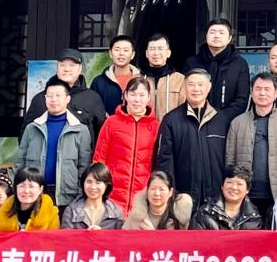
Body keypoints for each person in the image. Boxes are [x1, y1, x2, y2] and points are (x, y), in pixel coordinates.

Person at [155, 68, 230, 207]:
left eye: (200, 85)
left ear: (209, 87)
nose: (196, 89)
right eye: (191, 84)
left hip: (216, 199)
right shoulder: (171, 120)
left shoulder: (222, 120)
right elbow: (165, 162)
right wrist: (172, 195)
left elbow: (229, 159)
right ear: (184, 87)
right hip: (183, 199)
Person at [17, 76, 92, 210]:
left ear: (67, 99)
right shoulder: (32, 128)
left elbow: (84, 167)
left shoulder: (80, 130)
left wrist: (81, 197)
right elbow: (20, 163)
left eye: (58, 95)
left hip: (67, 198)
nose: (53, 100)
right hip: (34, 196)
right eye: (50, 96)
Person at [226, 72, 277, 215]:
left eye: (267, 89)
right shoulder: (237, 122)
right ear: (251, 93)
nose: (262, 93)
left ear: (275, 94)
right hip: (245, 192)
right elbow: (230, 160)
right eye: (258, 89)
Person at [92, 76, 160, 212]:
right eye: (133, 94)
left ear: (148, 98)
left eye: (142, 95)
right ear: (125, 96)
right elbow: (99, 158)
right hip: (112, 195)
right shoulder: (111, 122)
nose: (137, 99)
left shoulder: (156, 126)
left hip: (141, 196)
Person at [20, 48, 107, 143]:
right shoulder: (41, 99)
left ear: (80, 69)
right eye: (62, 65)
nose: (67, 69)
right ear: (57, 67)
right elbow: (25, 135)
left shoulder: (93, 98)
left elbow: (103, 135)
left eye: (72, 65)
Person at [182, 18, 251, 121]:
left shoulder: (240, 64)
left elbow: (241, 99)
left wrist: (221, 118)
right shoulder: (192, 63)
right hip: (195, 120)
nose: (216, 36)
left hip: (227, 122)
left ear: (229, 38)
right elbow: (184, 94)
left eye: (221, 33)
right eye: (212, 32)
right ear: (206, 36)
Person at [190, 165, 263, 230]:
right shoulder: (205, 213)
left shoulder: (254, 218)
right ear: (222, 186)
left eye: (239, 184)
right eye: (229, 182)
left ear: (247, 190)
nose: (234, 187)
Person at [61, 162, 125, 230]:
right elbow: (66, 236)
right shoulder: (71, 211)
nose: (93, 187)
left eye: (98, 183)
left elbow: (120, 236)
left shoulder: (116, 212)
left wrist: (102, 234)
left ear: (106, 185)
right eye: (89, 182)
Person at [0, 167, 60, 231]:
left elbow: (53, 237)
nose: (26, 191)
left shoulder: (50, 212)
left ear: (40, 189)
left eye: (31, 186)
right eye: (22, 186)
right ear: (15, 188)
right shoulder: (4, 211)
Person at [124, 171, 193, 230]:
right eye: (153, 189)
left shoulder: (180, 218)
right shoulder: (136, 216)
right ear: (147, 190)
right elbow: (123, 238)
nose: (157, 193)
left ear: (170, 192)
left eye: (161, 189)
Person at [91, 34, 142, 115]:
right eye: (117, 50)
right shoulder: (99, 82)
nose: (121, 53)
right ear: (110, 53)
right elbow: (93, 110)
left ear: (132, 55)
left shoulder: (142, 80)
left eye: (126, 50)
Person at [143, 33, 185, 121]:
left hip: (171, 128)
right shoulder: (137, 79)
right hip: (144, 128)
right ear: (147, 53)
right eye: (152, 49)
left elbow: (185, 110)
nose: (156, 53)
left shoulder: (180, 80)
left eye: (160, 49)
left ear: (168, 53)